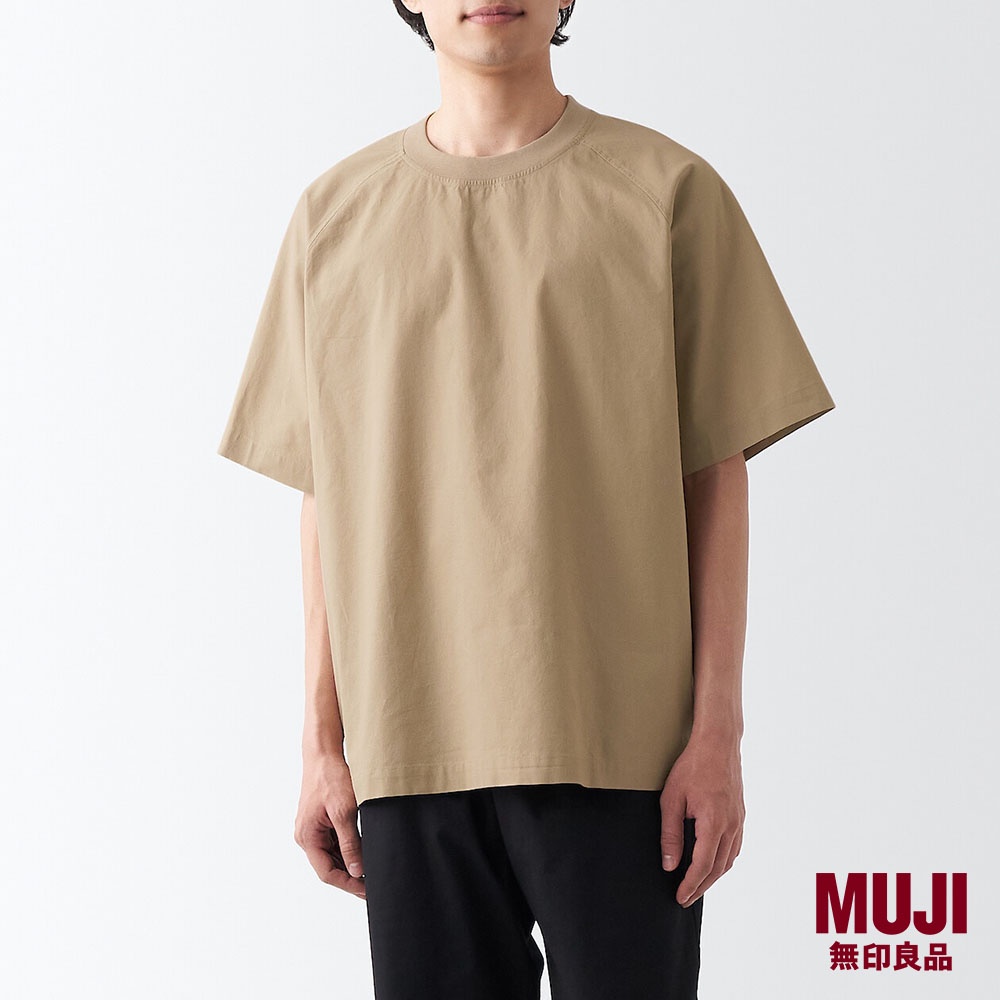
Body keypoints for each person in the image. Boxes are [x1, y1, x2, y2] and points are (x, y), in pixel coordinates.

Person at [216, 2, 836, 996]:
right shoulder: (335, 217)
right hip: (410, 752)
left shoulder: (666, 191)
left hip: (623, 751)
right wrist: (321, 744)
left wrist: (717, 732)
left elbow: (715, 471)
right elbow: (327, 493)